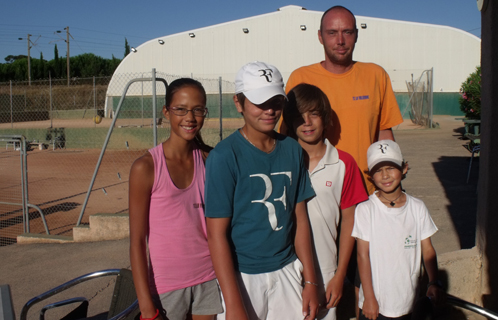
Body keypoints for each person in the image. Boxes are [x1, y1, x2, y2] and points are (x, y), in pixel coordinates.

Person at [205, 61, 319, 320]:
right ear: (238, 103)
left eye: (276, 102)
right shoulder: (224, 157)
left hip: (288, 271)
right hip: (242, 278)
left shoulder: (292, 149)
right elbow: (216, 235)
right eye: (259, 102)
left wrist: (311, 281)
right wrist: (233, 304)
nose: (269, 110)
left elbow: (300, 218)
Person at [280, 5, 404, 195]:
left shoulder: (376, 75)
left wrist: (394, 187)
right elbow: (287, 135)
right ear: (320, 36)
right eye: (332, 33)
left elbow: (383, 133)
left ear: (356, 35)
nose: (340, 40)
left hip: (367, 190)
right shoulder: (300, 78)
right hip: (316, 191)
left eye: (347, 32)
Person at [129, 78, 223, 320]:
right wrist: (147, 307)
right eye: (180, 109)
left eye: (198, 109)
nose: (190, 117)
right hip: (166, 288)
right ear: (166, 112)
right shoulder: (146, 167)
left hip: (209, 279)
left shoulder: (209, 159)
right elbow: (137, 241)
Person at [282, 83, 369, 320]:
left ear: (326, 118)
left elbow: (350, 221)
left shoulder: (344, 164)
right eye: (299, 115)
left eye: (314, 113)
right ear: (289, 121)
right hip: (282, 270)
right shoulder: (278, 161)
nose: (307, 122)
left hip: (326, 271)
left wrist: (339, 275)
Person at [352, 140, 444, 320]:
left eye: (391, 168)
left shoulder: (417, 207)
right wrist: (369, 298)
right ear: (370, 176)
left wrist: (433, 282)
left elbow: (428, 250)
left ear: (404, 169)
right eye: (378, 170)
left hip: (408, 302)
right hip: (376, 305)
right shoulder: (365, 209)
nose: (385, 175)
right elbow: (363, 255)